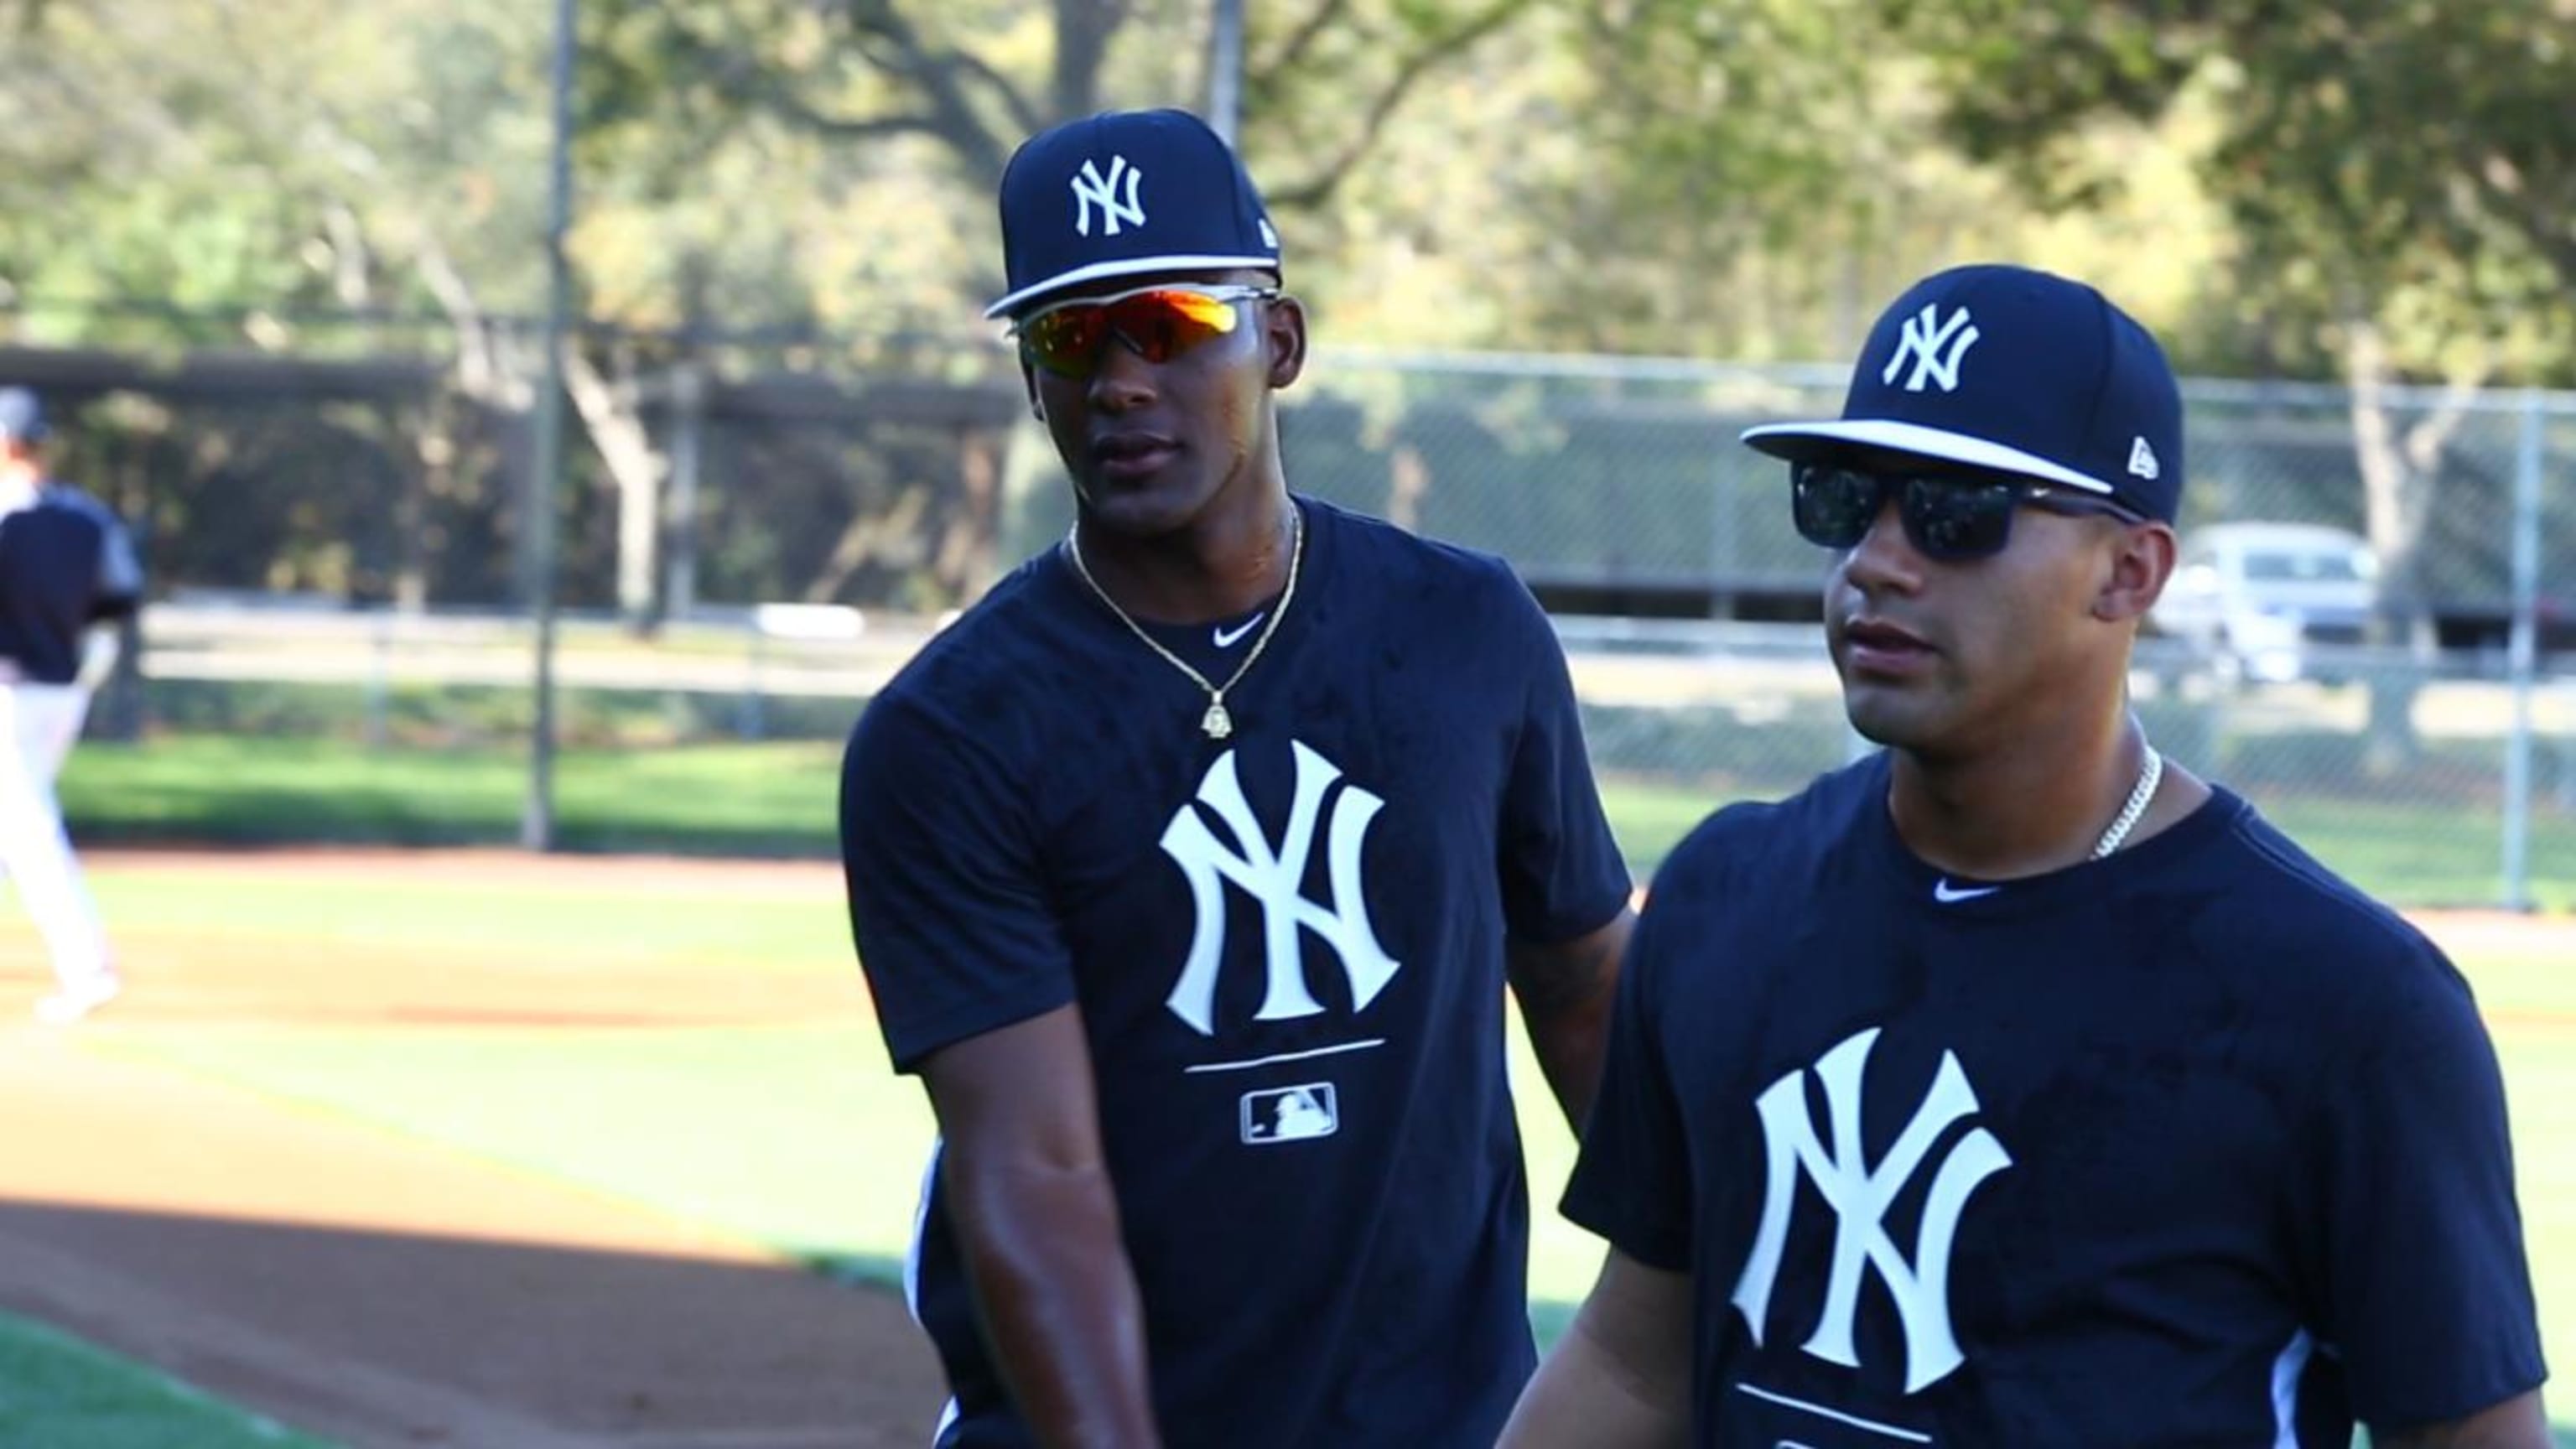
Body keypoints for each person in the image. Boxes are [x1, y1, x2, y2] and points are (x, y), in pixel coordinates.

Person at [1501, 264, 2550, 1449]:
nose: (1880, 562)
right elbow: (1636, 1363)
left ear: (2131, 572)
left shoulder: (2346, 1003)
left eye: (1960, 511)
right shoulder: (1726, 895)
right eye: (1848, 498)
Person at [838, 108, 1637, 1449]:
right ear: (1034, 384)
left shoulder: (1465, 629)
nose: (1121, 380)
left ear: (1280, 340)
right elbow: (1032, 1167)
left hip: (1444, 1418)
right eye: (1071, 338)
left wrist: (1726, 1327)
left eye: (1169, 322)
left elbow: (1586, 994)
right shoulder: (954, 732)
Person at [0, 387, 140, 1025]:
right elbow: (117, 602)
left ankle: (87, 970)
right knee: (15, 826)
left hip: (9, 692)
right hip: (62, 692)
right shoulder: (87, 518)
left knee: (29, 831)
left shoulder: (7, 517)